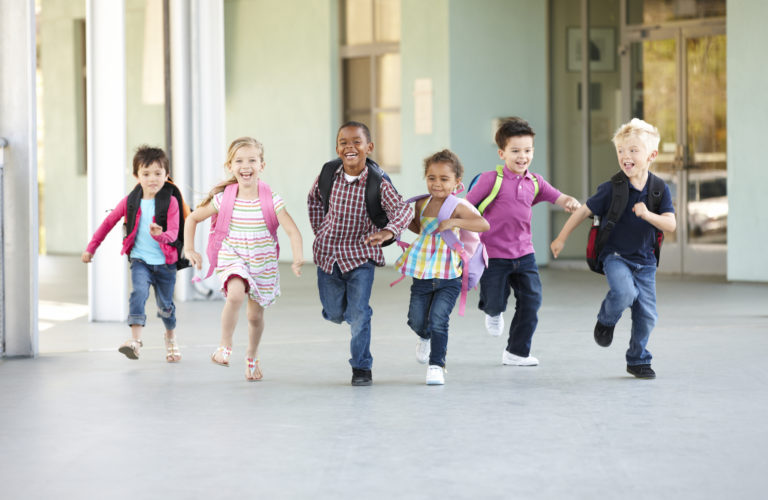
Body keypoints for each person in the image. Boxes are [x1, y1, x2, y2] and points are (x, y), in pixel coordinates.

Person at [550, 118, 676, 379]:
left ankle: (638, 359)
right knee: (624, 292)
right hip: (615, 256)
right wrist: (561, 237)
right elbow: (584, 210)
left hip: (646, 262)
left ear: (651, 155)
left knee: (648, 315)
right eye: (621, 150)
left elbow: (671, 224)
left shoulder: (658, 190)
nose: (625, 156)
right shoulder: (611, 188)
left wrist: (647, 215)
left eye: (633, 150)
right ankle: (606, 320)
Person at [184, 137, 303, 381]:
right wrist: (189, 248)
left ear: (262, 165)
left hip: (262, 263)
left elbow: (292, 231)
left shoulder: (272, 200)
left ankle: (252, 355)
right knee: (235, 295)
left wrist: (298, 257)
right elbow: (192, 219)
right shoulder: (223, 199)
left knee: (254, 317)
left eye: (252, 160)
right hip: (233, 256)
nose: (245, 165)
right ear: (230, 165)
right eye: (239, 160)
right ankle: (224, 346)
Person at [466, 117, 581, 366]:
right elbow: (466, 207)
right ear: (502, 153)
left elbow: (559, 197)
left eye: (527, 151)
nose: (522, 157)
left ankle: (516, 352)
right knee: (495, 300)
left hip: (524, 254)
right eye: (515, 151)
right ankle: (493, 311)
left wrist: (570, 202)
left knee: (532, 300)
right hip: (493, 254)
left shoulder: (535, 182)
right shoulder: (490, 180)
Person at [307, 121, 412, 386]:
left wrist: (388, 232)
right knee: (333, 313)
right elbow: (314, 200)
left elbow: (404, 210)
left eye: (356, 142)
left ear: (369, 147)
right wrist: (320, 230)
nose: (350, 147)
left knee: (360, 313)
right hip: (327, 254)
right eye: (344, 142)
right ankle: (344, 315)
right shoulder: (328, 174)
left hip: (360, 256)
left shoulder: (378, 182)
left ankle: (361, 368)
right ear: (337, 147)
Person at [82, 145, 185, 362]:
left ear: (167, 175)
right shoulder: (131, 201)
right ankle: (135, 341)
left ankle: (170, 336)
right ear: (136, 175)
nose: (152, 179)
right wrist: (91, 247)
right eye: (146, 174)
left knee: (165, 306)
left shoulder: (171, 201)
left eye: (158, 173)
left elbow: (174, 232)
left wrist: (160, 235)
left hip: (166, 264)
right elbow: (109, 222)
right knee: (138, 293)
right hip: (141, 261)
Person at [395, 149, 489, 385]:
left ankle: (437, 365)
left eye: (444, 179)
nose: (437, 184)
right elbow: (417, 227)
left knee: (439, 318)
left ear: (457, 182)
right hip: (423, 271)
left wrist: (456, 221)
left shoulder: (457, 205)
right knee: (416, 319)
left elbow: (483, 224)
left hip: (449, 273)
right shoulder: (421, 204)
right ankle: (424, 336)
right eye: (432, 178)